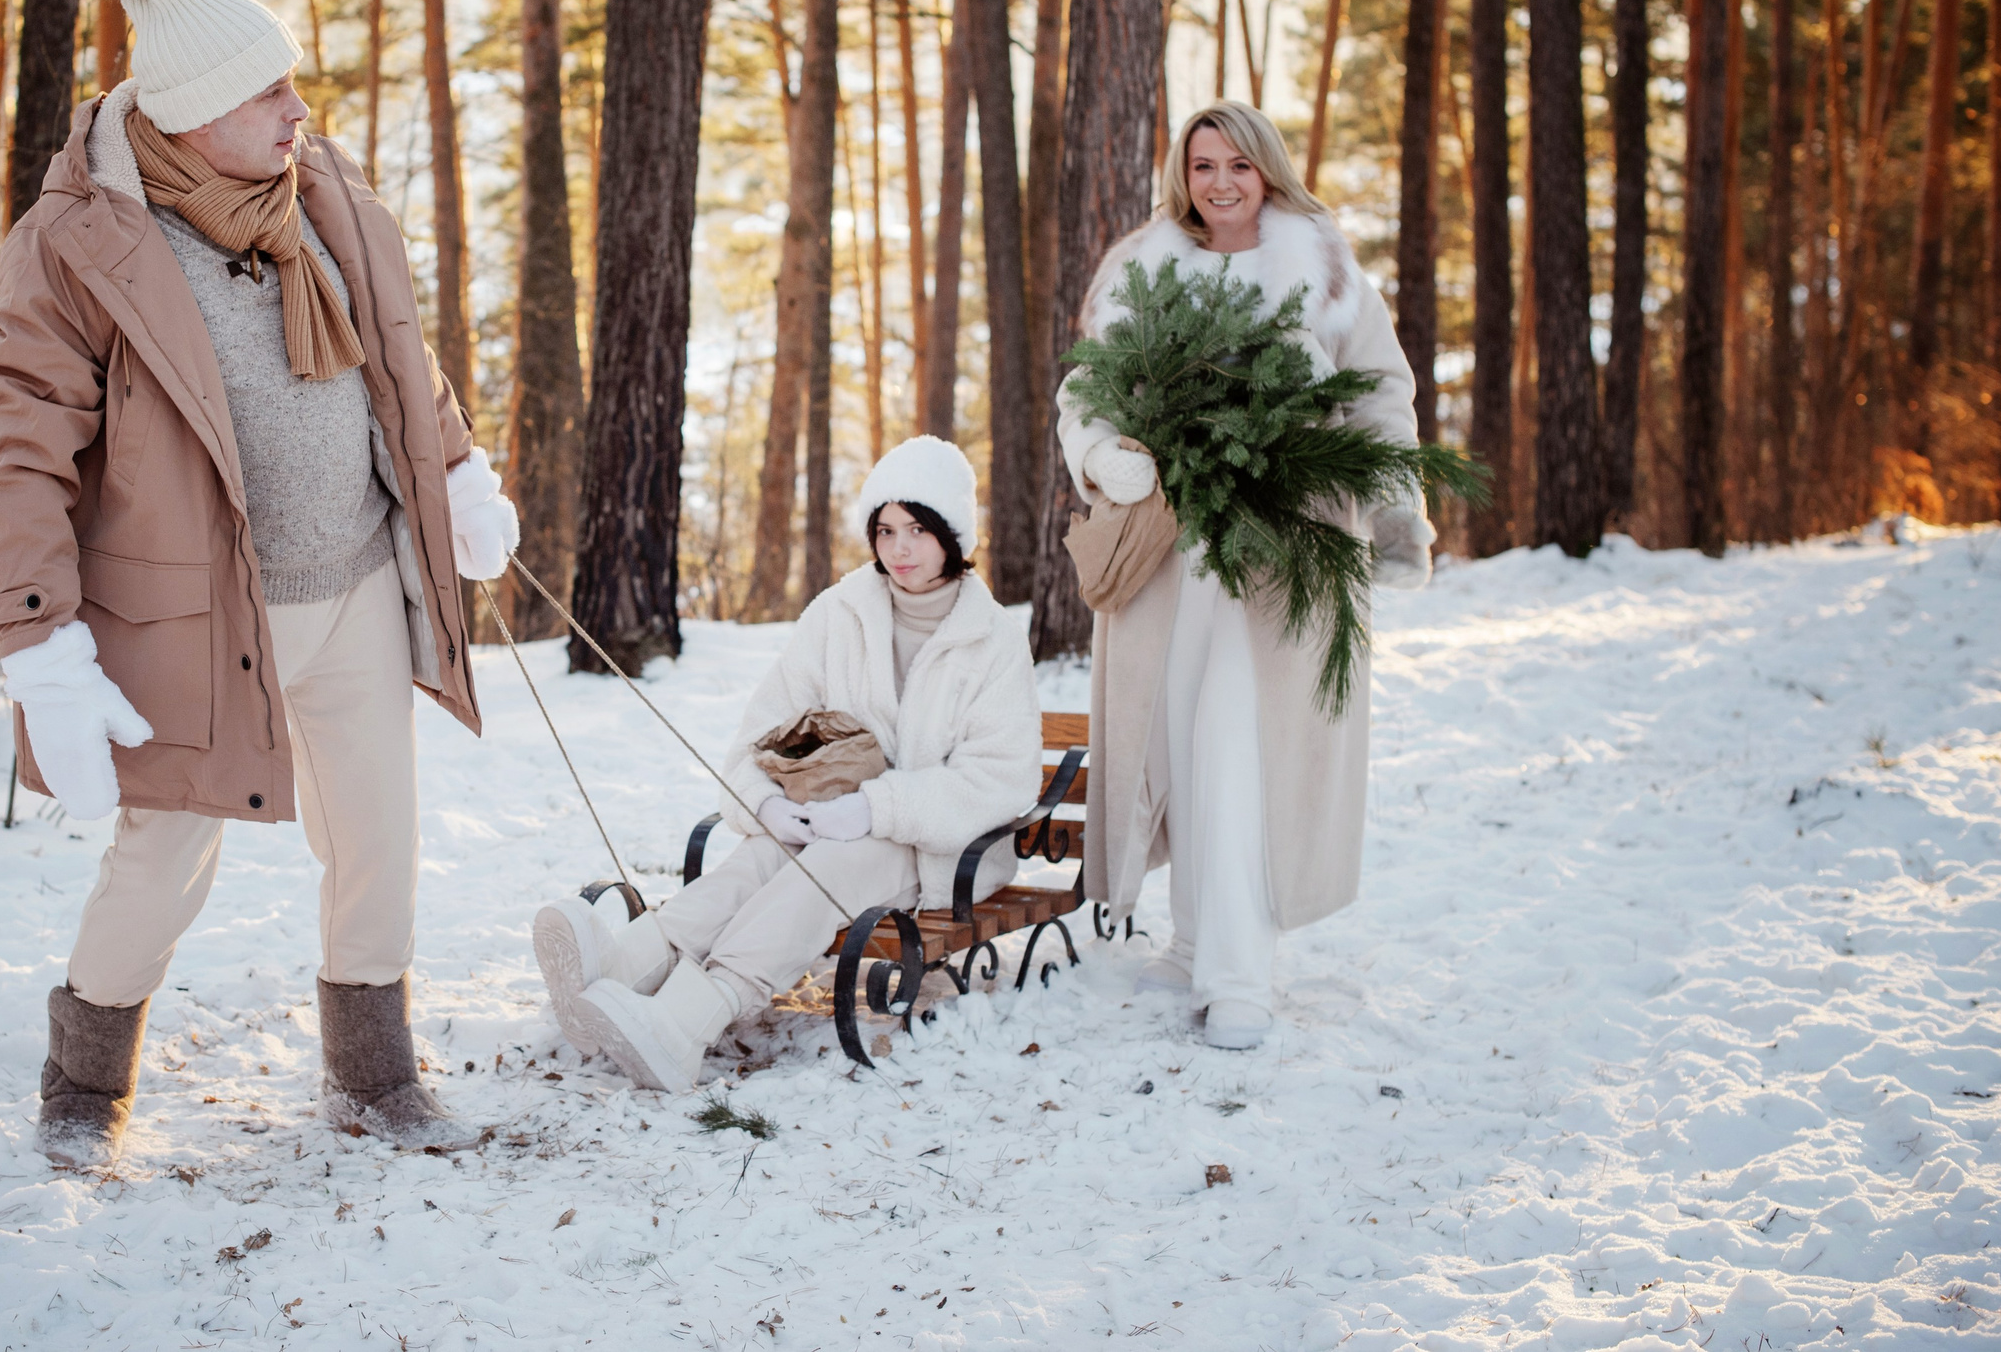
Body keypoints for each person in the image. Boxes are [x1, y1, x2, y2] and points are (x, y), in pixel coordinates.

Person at [0, 0, 519, 1163]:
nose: (295, 106)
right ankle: (80, 1086)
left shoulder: (314, 186)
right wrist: (41, 644)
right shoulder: (77, 243)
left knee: (377, 836)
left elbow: (395, 350)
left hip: (361, 581)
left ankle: (375, 1078)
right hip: (204, 613)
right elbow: (16, 455)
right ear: (190, 110)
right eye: (267, 88)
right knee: (163, 855)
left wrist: (458, 467)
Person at [1054, 100, 1428, 1051]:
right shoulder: (1142, 266)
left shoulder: (1324, 267)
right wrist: (1104, 458)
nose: (1219, 183)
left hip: (1284, 551)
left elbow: (1382, 391)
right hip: (1169, 555)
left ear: (1268, 170)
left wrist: (1393, 514)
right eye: (1202, 165)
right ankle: (1190, 942)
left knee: (1241, 747)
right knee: (1174, 747)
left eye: (1238, 166)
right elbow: (1085, 389)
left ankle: (1238, 972)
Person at [530, 436, 1042, 1091]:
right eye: (885, 530)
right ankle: (624, 967)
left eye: (917, 529)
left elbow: (1000, 777)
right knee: (761, 856)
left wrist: (876, 808)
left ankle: (688, 1021)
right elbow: (761, 732)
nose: (900, 549)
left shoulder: (991, 638)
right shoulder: (840, 613)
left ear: (952, 532)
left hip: (941, 849)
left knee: (833, 862)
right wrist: (768, 804)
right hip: (832, 816)